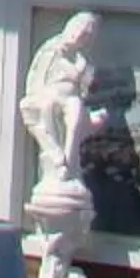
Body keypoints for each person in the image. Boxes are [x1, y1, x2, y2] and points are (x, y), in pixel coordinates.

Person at [19, 10, 101, 190]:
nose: (81, 37)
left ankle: (68, 160)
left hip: (70, 97)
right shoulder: (51, 49)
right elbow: (37, 78)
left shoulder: (82, 59)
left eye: (87, 36)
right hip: (49, 95)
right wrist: (38, 96)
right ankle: (56, 156)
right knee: (47, 107)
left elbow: (84, 88)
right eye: (80, 31)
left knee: (76, 110)